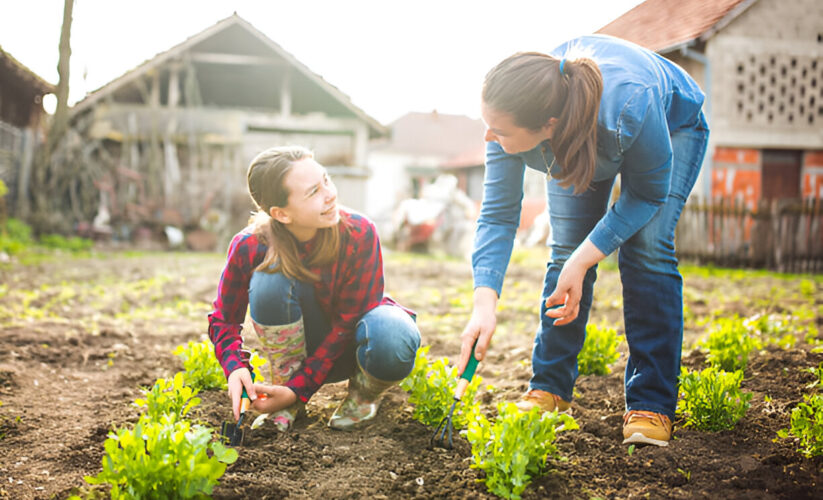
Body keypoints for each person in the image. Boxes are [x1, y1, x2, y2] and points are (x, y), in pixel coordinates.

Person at [458, 34, 709, 447]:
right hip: (578, 130)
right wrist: (483, 307)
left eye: (498, 130)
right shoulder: (511, 120)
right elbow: (498, 215)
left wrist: (584, 261)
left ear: (547, 126)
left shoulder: (629, 105)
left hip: (671, 124)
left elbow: (646, 195)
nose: (488, 137)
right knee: (565, 248)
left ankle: (651, 403)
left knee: (646, 249)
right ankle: (550, 388)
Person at [208, 145, 421, 432]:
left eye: (326, 180)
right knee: (269, 278)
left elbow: (347, 324)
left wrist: (299, 389)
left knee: (393, 334)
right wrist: (235, 367)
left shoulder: (359, 233)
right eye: (313, 192)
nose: (330, 194)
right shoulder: (250, 246)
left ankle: (363, 395)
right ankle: (287, 395)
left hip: (352, 348)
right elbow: (224, 320)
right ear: (281, 214)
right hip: (297, 352)